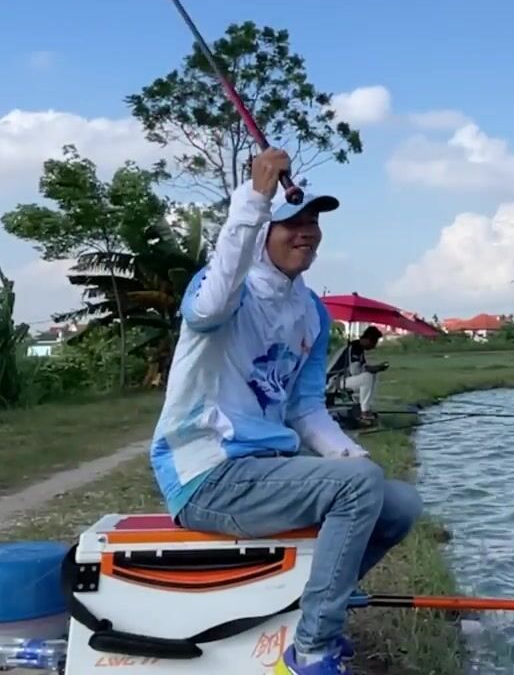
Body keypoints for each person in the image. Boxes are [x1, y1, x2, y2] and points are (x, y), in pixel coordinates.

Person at [148, 148, 422, 674]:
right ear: (261, 233)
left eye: (313, 222)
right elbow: (211, 305)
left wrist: (355, 459)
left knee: (399, 503)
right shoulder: (223, 289)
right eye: (291, 223)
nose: (306, 233)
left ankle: (320, 602)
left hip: (268, 470)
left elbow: (305, 407)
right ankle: (311, 650)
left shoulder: (311, 311)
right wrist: (255, 198)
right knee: (358, 486)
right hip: (208, 474)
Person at [344, 326, 388, 426]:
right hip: (336, 381)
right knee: (368, 377)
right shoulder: (353, 348)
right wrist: (371, 368)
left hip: (345, 379)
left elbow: (360, 368)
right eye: (374, 343)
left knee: (372, 375)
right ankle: (364, 412)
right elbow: (355, 371)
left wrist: (374, 369)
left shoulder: (359, 349)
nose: (374, 346)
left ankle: (366, 407)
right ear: (368, 339)